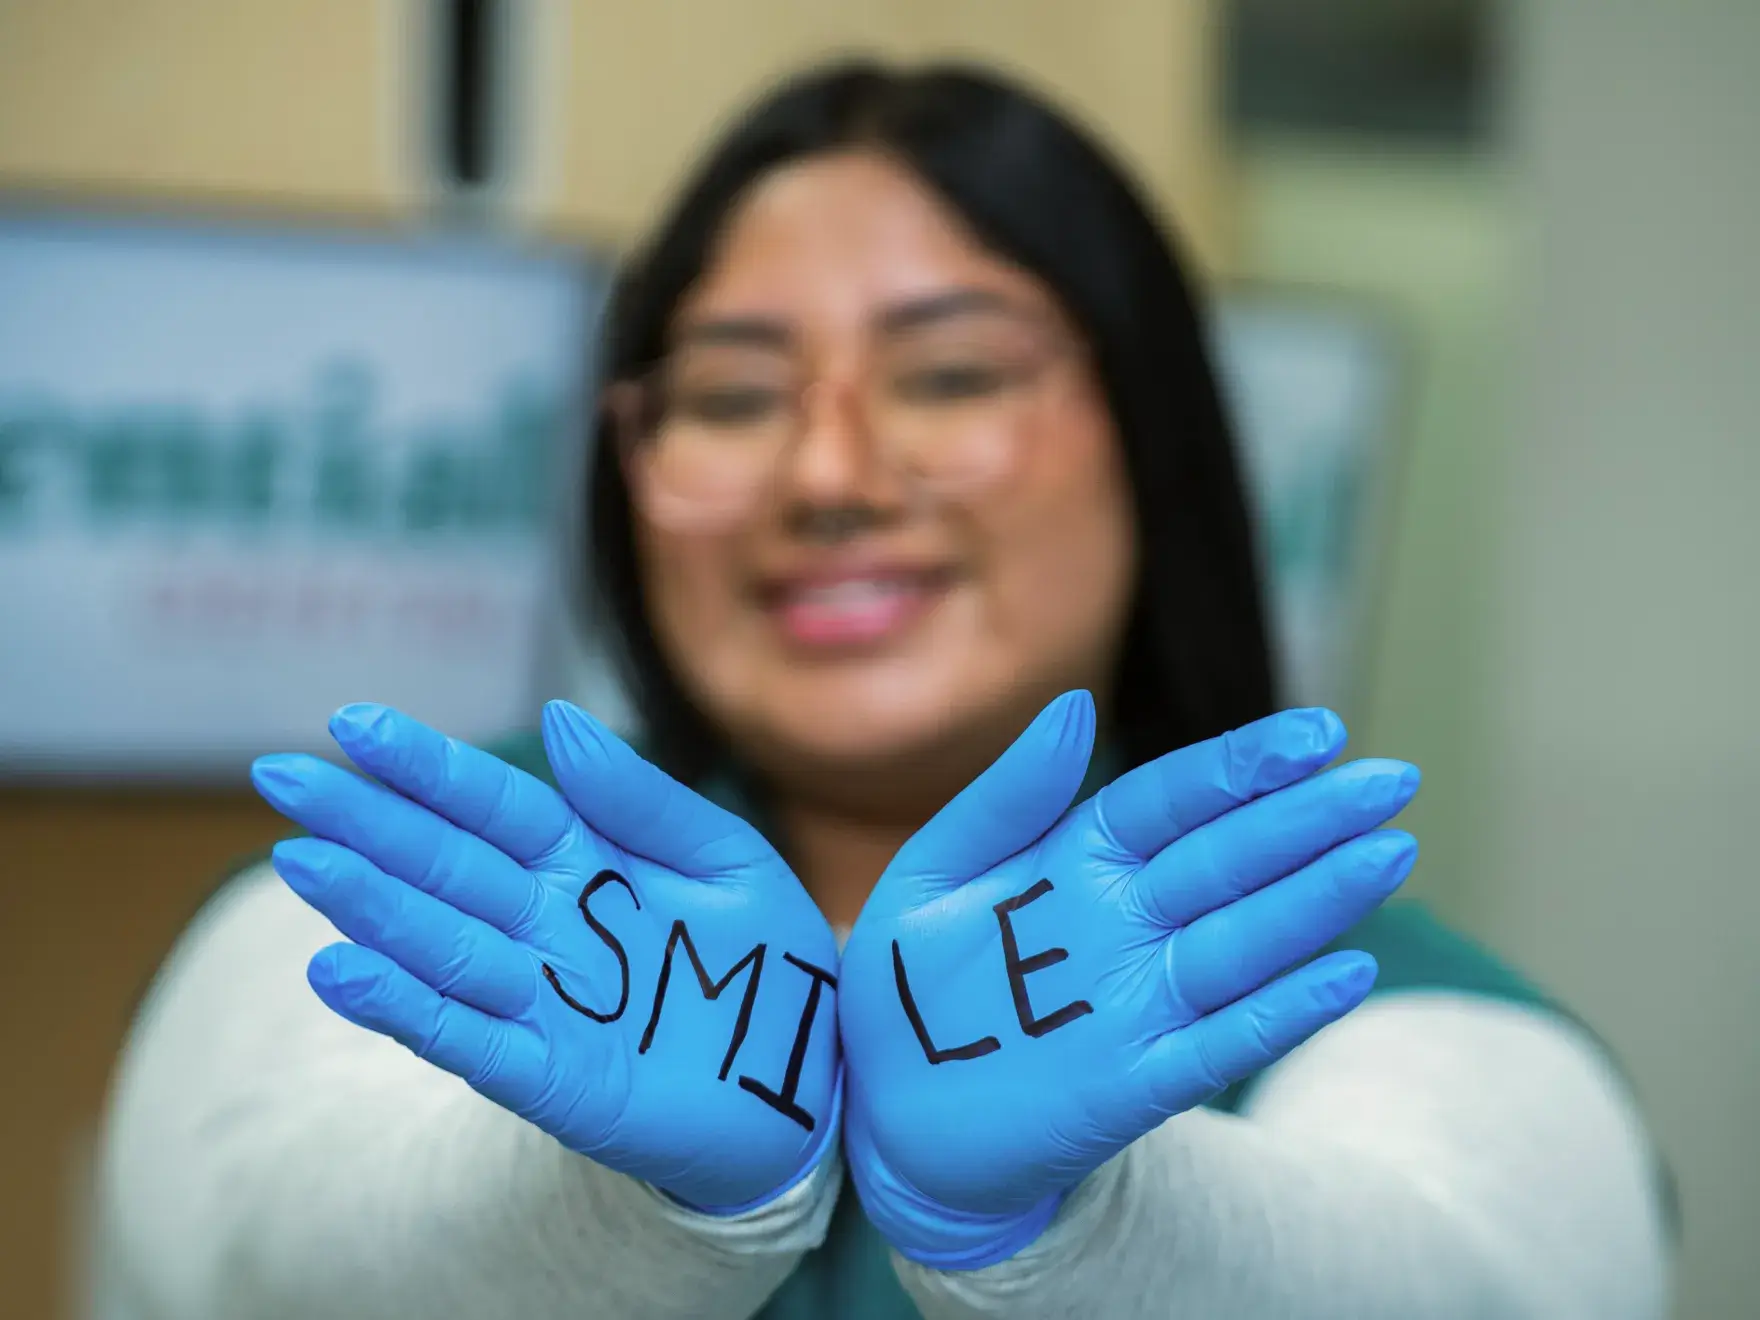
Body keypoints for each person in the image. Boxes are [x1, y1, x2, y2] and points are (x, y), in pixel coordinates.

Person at [92, 61, 1672, 1319]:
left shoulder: (1411, 1015)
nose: (830, 475)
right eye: (729, 394)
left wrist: (1074, 1224)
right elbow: (250, 1251)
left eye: (954, 373)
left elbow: (1474, 1276)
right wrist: (635, 1204)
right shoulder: (415, 897)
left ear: (1158, 437)